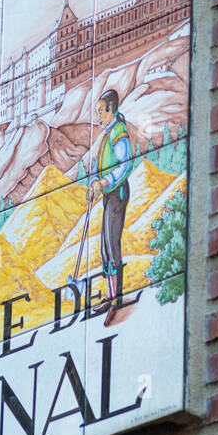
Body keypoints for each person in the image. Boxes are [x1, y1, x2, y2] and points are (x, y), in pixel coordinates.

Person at [88, 88, 134, 326]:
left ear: (111, 109)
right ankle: (109, 295)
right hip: (108, 193)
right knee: (104, 246)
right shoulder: (107, 133)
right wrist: (95, 184)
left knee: (112, 244)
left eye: (101, 111)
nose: (98, 116)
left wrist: (105, 182)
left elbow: (124, 165)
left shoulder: (118, 133)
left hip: (117, 193)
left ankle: (116, 300)